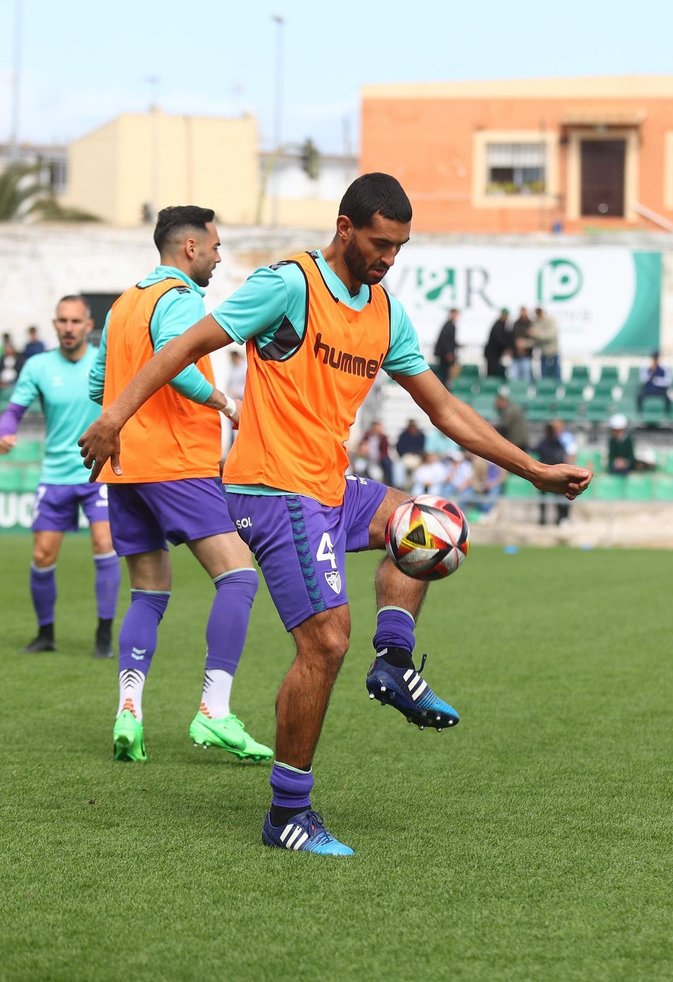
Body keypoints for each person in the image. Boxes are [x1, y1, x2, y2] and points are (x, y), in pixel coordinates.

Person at [77, 173, 589, 856]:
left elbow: (446, 410)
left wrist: (534, 469)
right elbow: (187, 346)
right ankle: (288, 812)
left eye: (399, 247)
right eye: (379, 243)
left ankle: (395, 662)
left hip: (328, 486)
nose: (388, 258)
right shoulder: (289, 285)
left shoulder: (385, 313)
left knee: (429, 519)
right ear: (345, 228)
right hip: (270, 488)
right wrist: (114, 414)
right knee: (325, 640)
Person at [83, 205, 268, 761]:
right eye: (215, 246)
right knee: (238, 577)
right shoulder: (182, 297)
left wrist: (129, 425)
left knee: (148, 592)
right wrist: (225, 402)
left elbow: (99, 384)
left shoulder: (122, 304)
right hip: (179, 463)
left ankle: (129, 711)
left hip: (127, 469)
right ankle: (215, 710)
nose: (219, 255)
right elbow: (176, 360)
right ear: (189, 247)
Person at [0, 298, 123, 661]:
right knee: (42, 554)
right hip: (55, 474)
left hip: (96, 471)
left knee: (104, 544)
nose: (69, 327)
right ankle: (45, 633)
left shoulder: (105, 360)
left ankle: (103, 633)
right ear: (55, 324)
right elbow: (13, 411)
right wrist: (6, 433)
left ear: (88, 325)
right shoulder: (37, 366)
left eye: (76, 321)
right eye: (63, 321)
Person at [534, 420, 575, 526]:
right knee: (546, 498)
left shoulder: (559, 442)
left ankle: (562, 518)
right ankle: (544, 519)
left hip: (552, 474)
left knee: (560, 497)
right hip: (548, 474)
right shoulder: (547, 443)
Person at [530, 306, 560, 380]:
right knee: (543, 375)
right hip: (544, 352)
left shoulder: (550, 321)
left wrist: (537, 334)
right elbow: (534, 340)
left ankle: (555, 389)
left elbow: (550, 335)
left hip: (553, 351)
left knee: (555, 375)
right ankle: (544, 389)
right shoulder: (536, 322)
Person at [494, 385, 528, 449]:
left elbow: (504, 425)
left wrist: (492, 427)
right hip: (520, 440)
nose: (496, 404)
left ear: (502, 400)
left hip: (517, 442)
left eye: (497, 402)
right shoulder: (513, 407)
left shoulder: (509, 410)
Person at [483, 309, 512, 379]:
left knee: (495, 371)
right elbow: (499, 340)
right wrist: (507, 347)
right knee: (492, 372)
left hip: (496, 354)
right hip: (492, 354)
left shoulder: (503, 325)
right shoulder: (497, 326)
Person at [433, 308, 459, 383]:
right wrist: (448, 353)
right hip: (444, 356)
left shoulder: (449, 325)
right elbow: (445, 341)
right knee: (444, 376)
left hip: (445, 354)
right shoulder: (449, 326)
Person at [510, 307, 533, 382]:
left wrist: (524, 346)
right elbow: (513, 337)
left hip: (526, 355)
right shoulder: (516, 324)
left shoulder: (530, 324)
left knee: (526, 376)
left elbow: (533, 340)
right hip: (516, 355)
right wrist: (518, 347)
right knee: (514, 376)